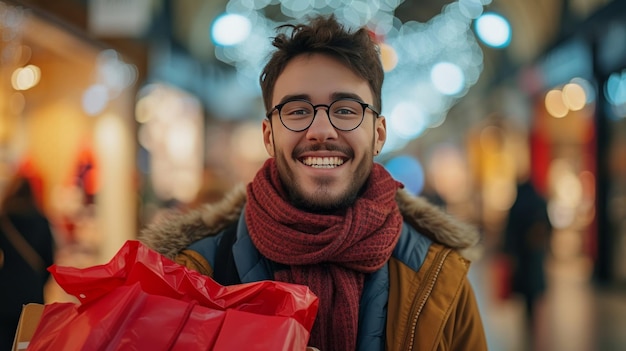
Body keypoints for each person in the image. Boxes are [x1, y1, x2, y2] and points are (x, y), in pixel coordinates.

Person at [140, 14, 487, 351]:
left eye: (346, 110)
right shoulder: (191, 276)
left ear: (378, 134)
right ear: (268, 136)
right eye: (297, 111)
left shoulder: (441, 278)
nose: (321, 131)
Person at [0, 169, 55, 350]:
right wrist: (37, 282)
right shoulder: (41, 221)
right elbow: (50, 261)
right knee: (30, 343)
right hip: (32, 295)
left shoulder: (4, 221)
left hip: (4, 295)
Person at [503, 179, 552, 333]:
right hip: (535, 252)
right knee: (534, 283)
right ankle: (532, 315)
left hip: (521, 254)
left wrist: (509, 251)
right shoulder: (539, 202)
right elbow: (549, 226)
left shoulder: (517, 205)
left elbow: (510, 231)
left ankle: (528, 315)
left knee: (525, 283)